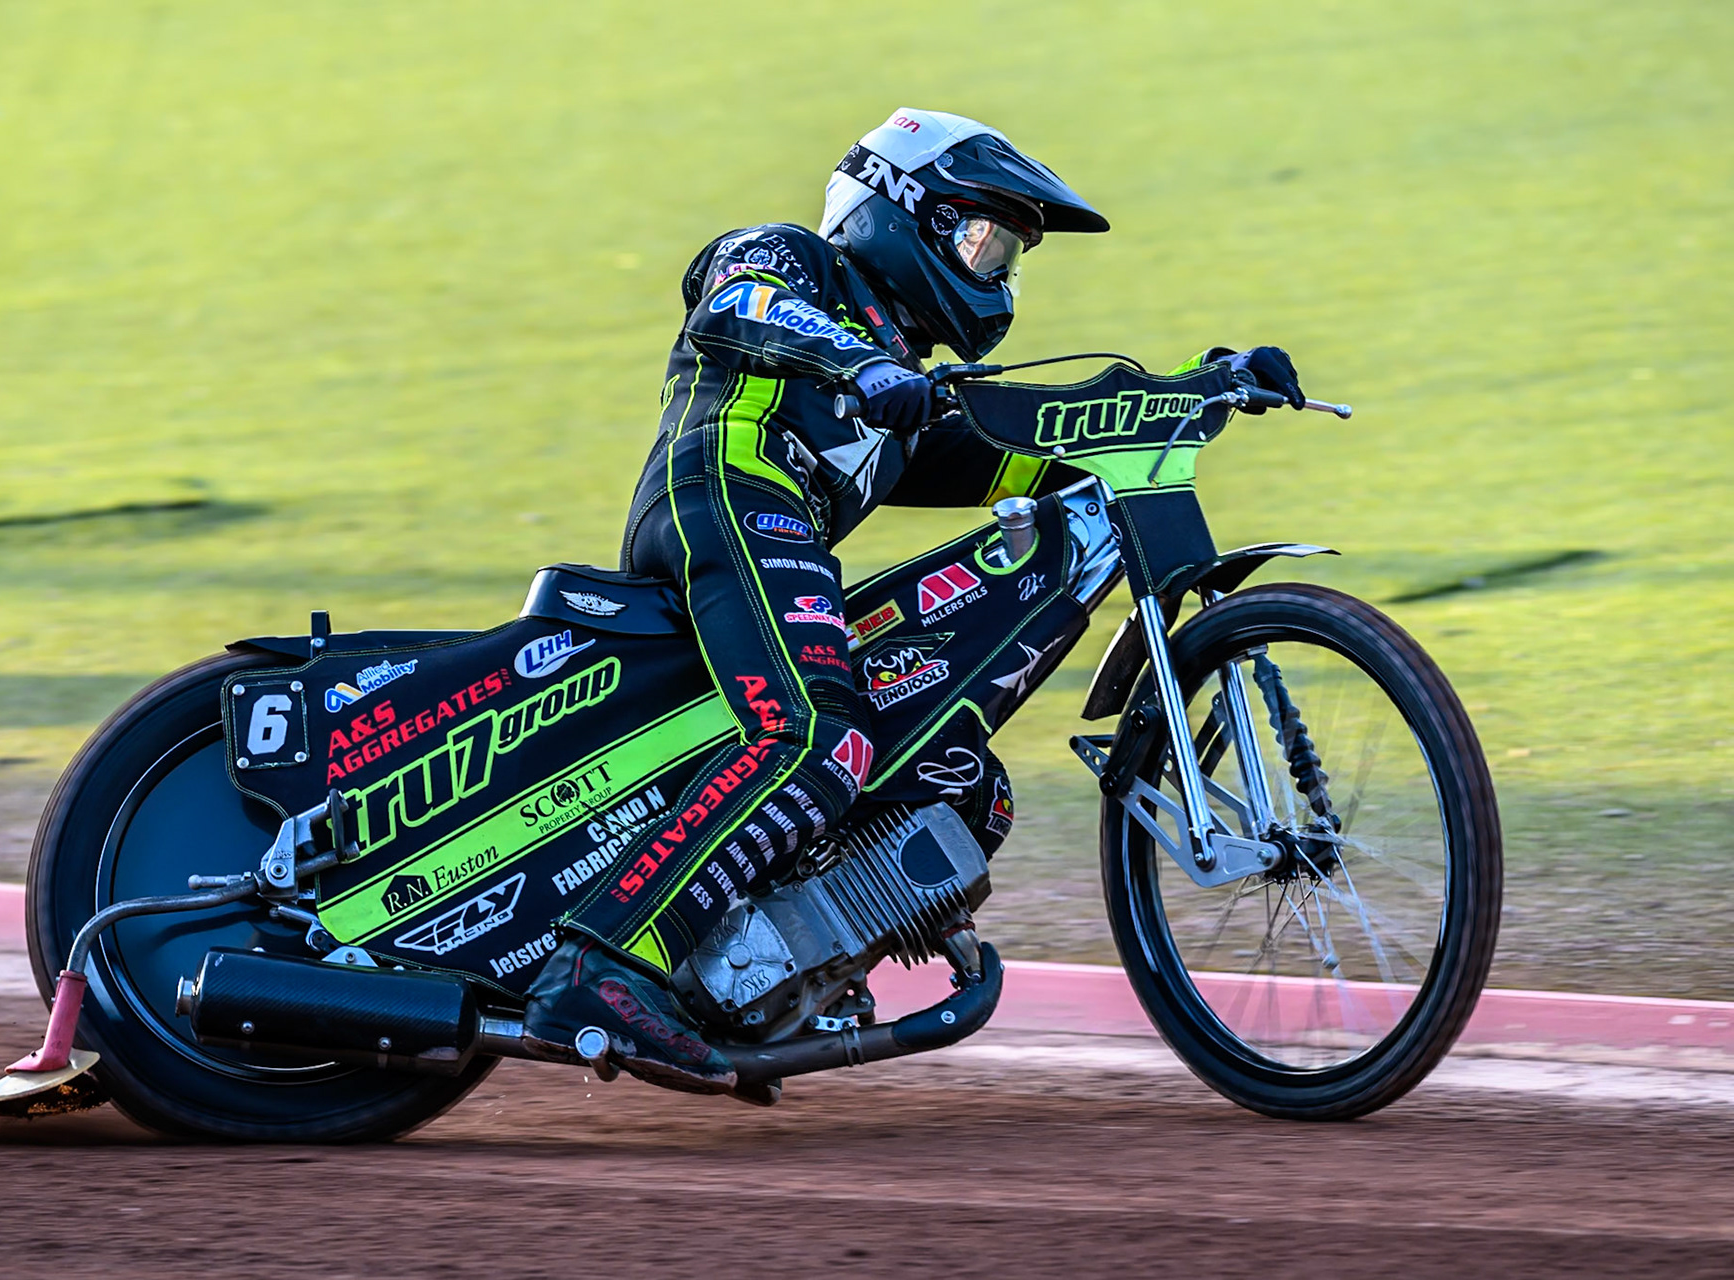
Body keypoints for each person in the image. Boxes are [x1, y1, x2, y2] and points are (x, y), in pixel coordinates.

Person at [523, 108, 1304, 1095]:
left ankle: (757, 977)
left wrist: (1199, 392)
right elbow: (737, 305)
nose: (998, 274)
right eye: (984, 240)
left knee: (958, 776)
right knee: (819, 738)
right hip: (717, 497)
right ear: (899, 212)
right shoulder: (796, 259)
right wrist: (863, 363)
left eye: (1010, 255)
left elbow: (1045, 449)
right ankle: (599, 963)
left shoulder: (906, 405)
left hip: (778, 532)